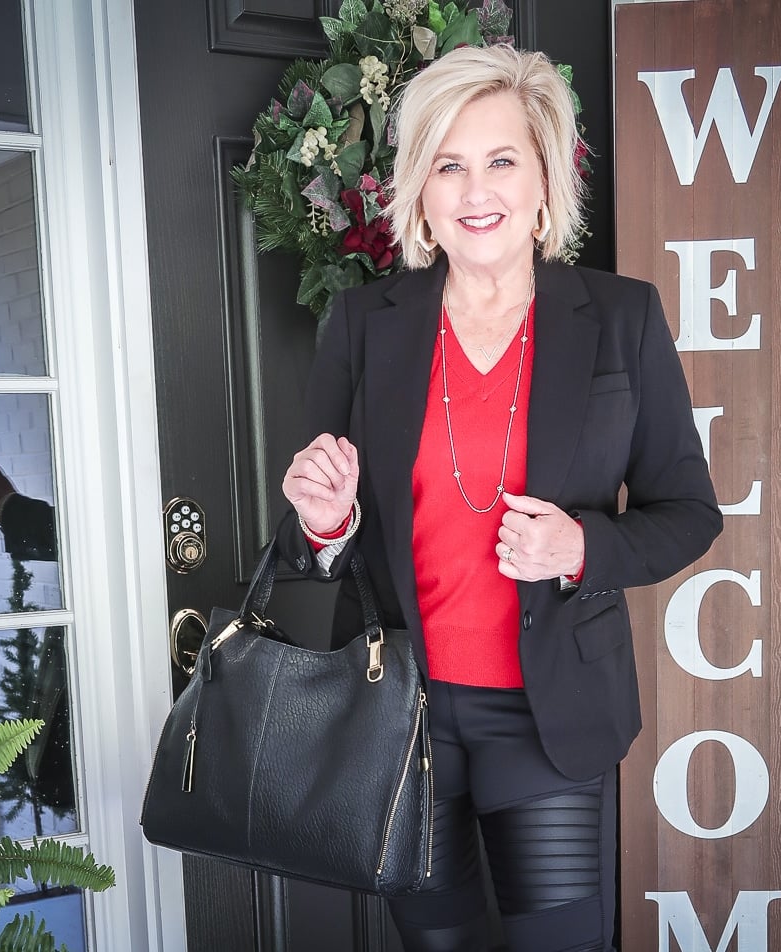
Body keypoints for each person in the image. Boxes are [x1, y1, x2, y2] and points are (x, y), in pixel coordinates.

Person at [278, 44, 722, 952]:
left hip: (549, 715)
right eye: (449, 164)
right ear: (422, 195)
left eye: (501, 160)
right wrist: (323, 527)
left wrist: (584, 548)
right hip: (400, 716)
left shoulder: (622, 318)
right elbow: (312, 539)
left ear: (545, 183)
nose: (476, 189)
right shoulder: (366, 329)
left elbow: (690, 513)